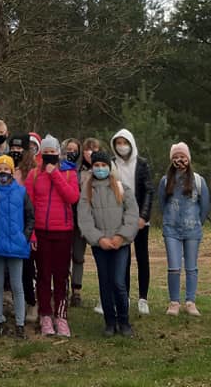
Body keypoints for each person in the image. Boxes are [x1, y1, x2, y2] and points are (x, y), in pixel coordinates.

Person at [77, 149, 139, 337]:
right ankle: (110, 322)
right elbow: (85, 219)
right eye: (97, 165)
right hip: (100, 246)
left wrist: (121, 236)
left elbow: (131, 214)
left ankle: (124, 320)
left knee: (119, 283)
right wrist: (99, 239)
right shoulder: (87, 191)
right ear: (92, 167)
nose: (100, 168)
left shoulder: (121, 188)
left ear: (109, 167)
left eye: (104, 165)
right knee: (104, 282)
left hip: (121, 244)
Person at [26, 134, 80, 336]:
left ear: (59, 153)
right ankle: (45, 315)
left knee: (60, 276)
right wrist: (31, 234)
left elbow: (72, 197)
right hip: (41, 231)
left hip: (63, 231)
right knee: (43, 275)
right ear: (41, 154)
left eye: (52, 152)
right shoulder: (33, 175)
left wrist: (54, 174)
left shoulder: (68, 173)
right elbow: (29, 207)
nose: (49, 156)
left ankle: (61, 315)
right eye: (46, 152)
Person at [0, 154, 34, 339]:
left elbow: (30, 217)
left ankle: (20, 324)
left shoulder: (21, 192)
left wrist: (24, 238)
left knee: (17, 286)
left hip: (16, 246)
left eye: (6, 169)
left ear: (12, 171)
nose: (3, 172)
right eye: (0, 169)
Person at [158, 142, 210, 317]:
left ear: (188, 158)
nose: (179, 160)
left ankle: (190, 301)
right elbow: (162, 204)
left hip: (192, 231)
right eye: (175, 157)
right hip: (171, 230)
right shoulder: (165, 181)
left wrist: (196, 223)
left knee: (191, 267)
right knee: (174, 266)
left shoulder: (198, 180)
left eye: (182, 156)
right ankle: (174, 302)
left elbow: (204, 207)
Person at [110, 128, 154, 315]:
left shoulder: (142, 164)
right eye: (118, 143)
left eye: (124, 143)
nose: (122, 147)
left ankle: (143, 298)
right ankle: (124, 295)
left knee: (142, 258)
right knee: (123, 259)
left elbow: (149, 191)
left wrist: (143, 216)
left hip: (139, 221)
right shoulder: (111, 164)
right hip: (120, 220)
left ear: (131, 143)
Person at [7, 133, 37, 321]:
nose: (16, 151)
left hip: (26, 226)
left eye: (20, 148)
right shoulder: (6, 168)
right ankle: (17, 303)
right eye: (13, 148)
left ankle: (32, 304)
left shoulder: (32, 171)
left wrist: (32, 233)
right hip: (7, 226)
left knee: (28, 269)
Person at [70, 136, 98, 308]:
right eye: (87, 149)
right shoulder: (77, 171)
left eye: (94, 149)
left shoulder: (104, 170)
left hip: (98, 221)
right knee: (77, 256)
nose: (90, 153)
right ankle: (76, 290)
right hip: (78, 219)